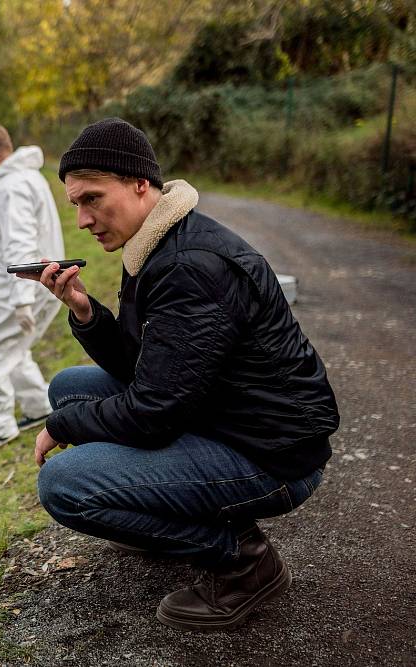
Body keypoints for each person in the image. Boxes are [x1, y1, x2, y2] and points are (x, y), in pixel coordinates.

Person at [21, 117, 339, 630]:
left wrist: (65, 429)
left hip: (274, 455)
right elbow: (146, 367)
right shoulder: (155, 242)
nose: (82, 219)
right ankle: (163, 516)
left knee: (64, 484)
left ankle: (241, 560)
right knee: (69, 389)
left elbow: (154, 412)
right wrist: (85, 312)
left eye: (93, 199)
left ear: (139, 184)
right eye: (76, 203)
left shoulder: (187, 266)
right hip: (225, 416)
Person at [0, 123, 66, 454]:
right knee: (15, 349)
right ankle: (40, 407)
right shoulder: (25, 177)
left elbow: (20, 241)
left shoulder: (10, 186)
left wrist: (21, 300)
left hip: (22, 288)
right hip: (31, 283)